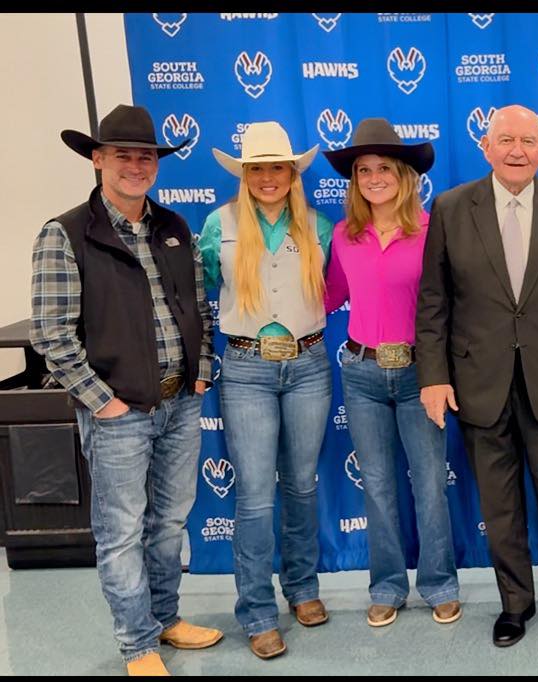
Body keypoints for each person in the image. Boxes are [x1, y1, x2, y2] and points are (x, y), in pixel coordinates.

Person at [30, 104, 221, 676]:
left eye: (145, 156)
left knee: (169, 522)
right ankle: (138, 644)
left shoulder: (173, 228)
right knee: (120, 533)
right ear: (97, 160)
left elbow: (198, 308)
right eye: (122, 156)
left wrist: (202, 368)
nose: (136, 166)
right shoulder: (65, 235)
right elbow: (52, 335)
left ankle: (165, 619)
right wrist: (103, 402)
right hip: (120, 412)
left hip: (180, 402)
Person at [415, 104, 538, 648]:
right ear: (486, 146)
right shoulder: (451, 208)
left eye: (528, 141)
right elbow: (434, 302)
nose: (517, 150)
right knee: (499, 505)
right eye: (506, 140)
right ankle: (514, 604)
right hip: (480, 383)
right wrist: (433, 376)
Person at [199, 121, 334, 659]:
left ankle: (302, 589)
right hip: (248, 367)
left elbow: (338, 286)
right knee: (255, 496)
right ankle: (256, 612)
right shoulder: (219, 224)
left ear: (292, 173)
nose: (268, 177)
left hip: (308, 364)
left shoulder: (318, 227)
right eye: (257, 168)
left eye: (278, 167)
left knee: (301, 485)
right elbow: (206, 282)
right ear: (245, 174)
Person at [322, 118, 462, 628]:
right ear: (355, 179)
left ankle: (440, 584)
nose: (374, 177)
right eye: (363, 170)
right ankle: (385, 587)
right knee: (377, 486)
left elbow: (450, 305)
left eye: (384, 168)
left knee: (429, 484)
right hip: (359, 371)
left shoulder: (431, 230)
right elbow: (329, 295)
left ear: (404, 176)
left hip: (419, 375)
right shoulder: (343, 234)